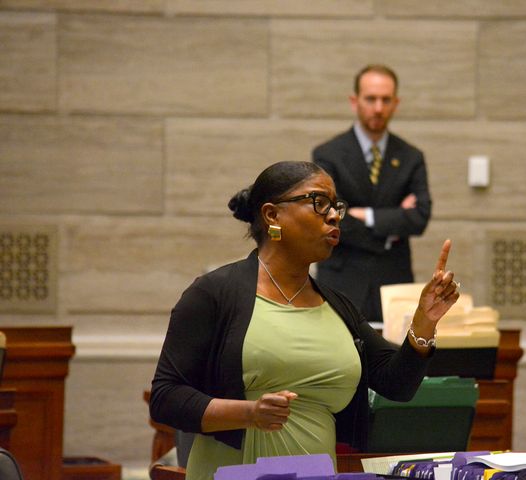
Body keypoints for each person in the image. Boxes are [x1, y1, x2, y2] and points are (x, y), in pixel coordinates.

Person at [149, 161, 459, 480]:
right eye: (318, 202)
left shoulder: (338, 307)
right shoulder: (215, 294)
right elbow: (165, 398)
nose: (334, 215)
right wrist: (249, 414)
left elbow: (397, 383)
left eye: (335, 205)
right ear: (272, 215)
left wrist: (425, 321)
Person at [312, 64, 432, 324]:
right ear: (354, 101)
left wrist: (364, 215)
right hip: (342, 282)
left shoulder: (411, 157)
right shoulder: (327, 154)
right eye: (371, 99)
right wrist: (392, 227)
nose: (378, 108)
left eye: (386, 100)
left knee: (392, 360)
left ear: (396, 103)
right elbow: (329, 217)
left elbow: (420, 216)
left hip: (393, 283)